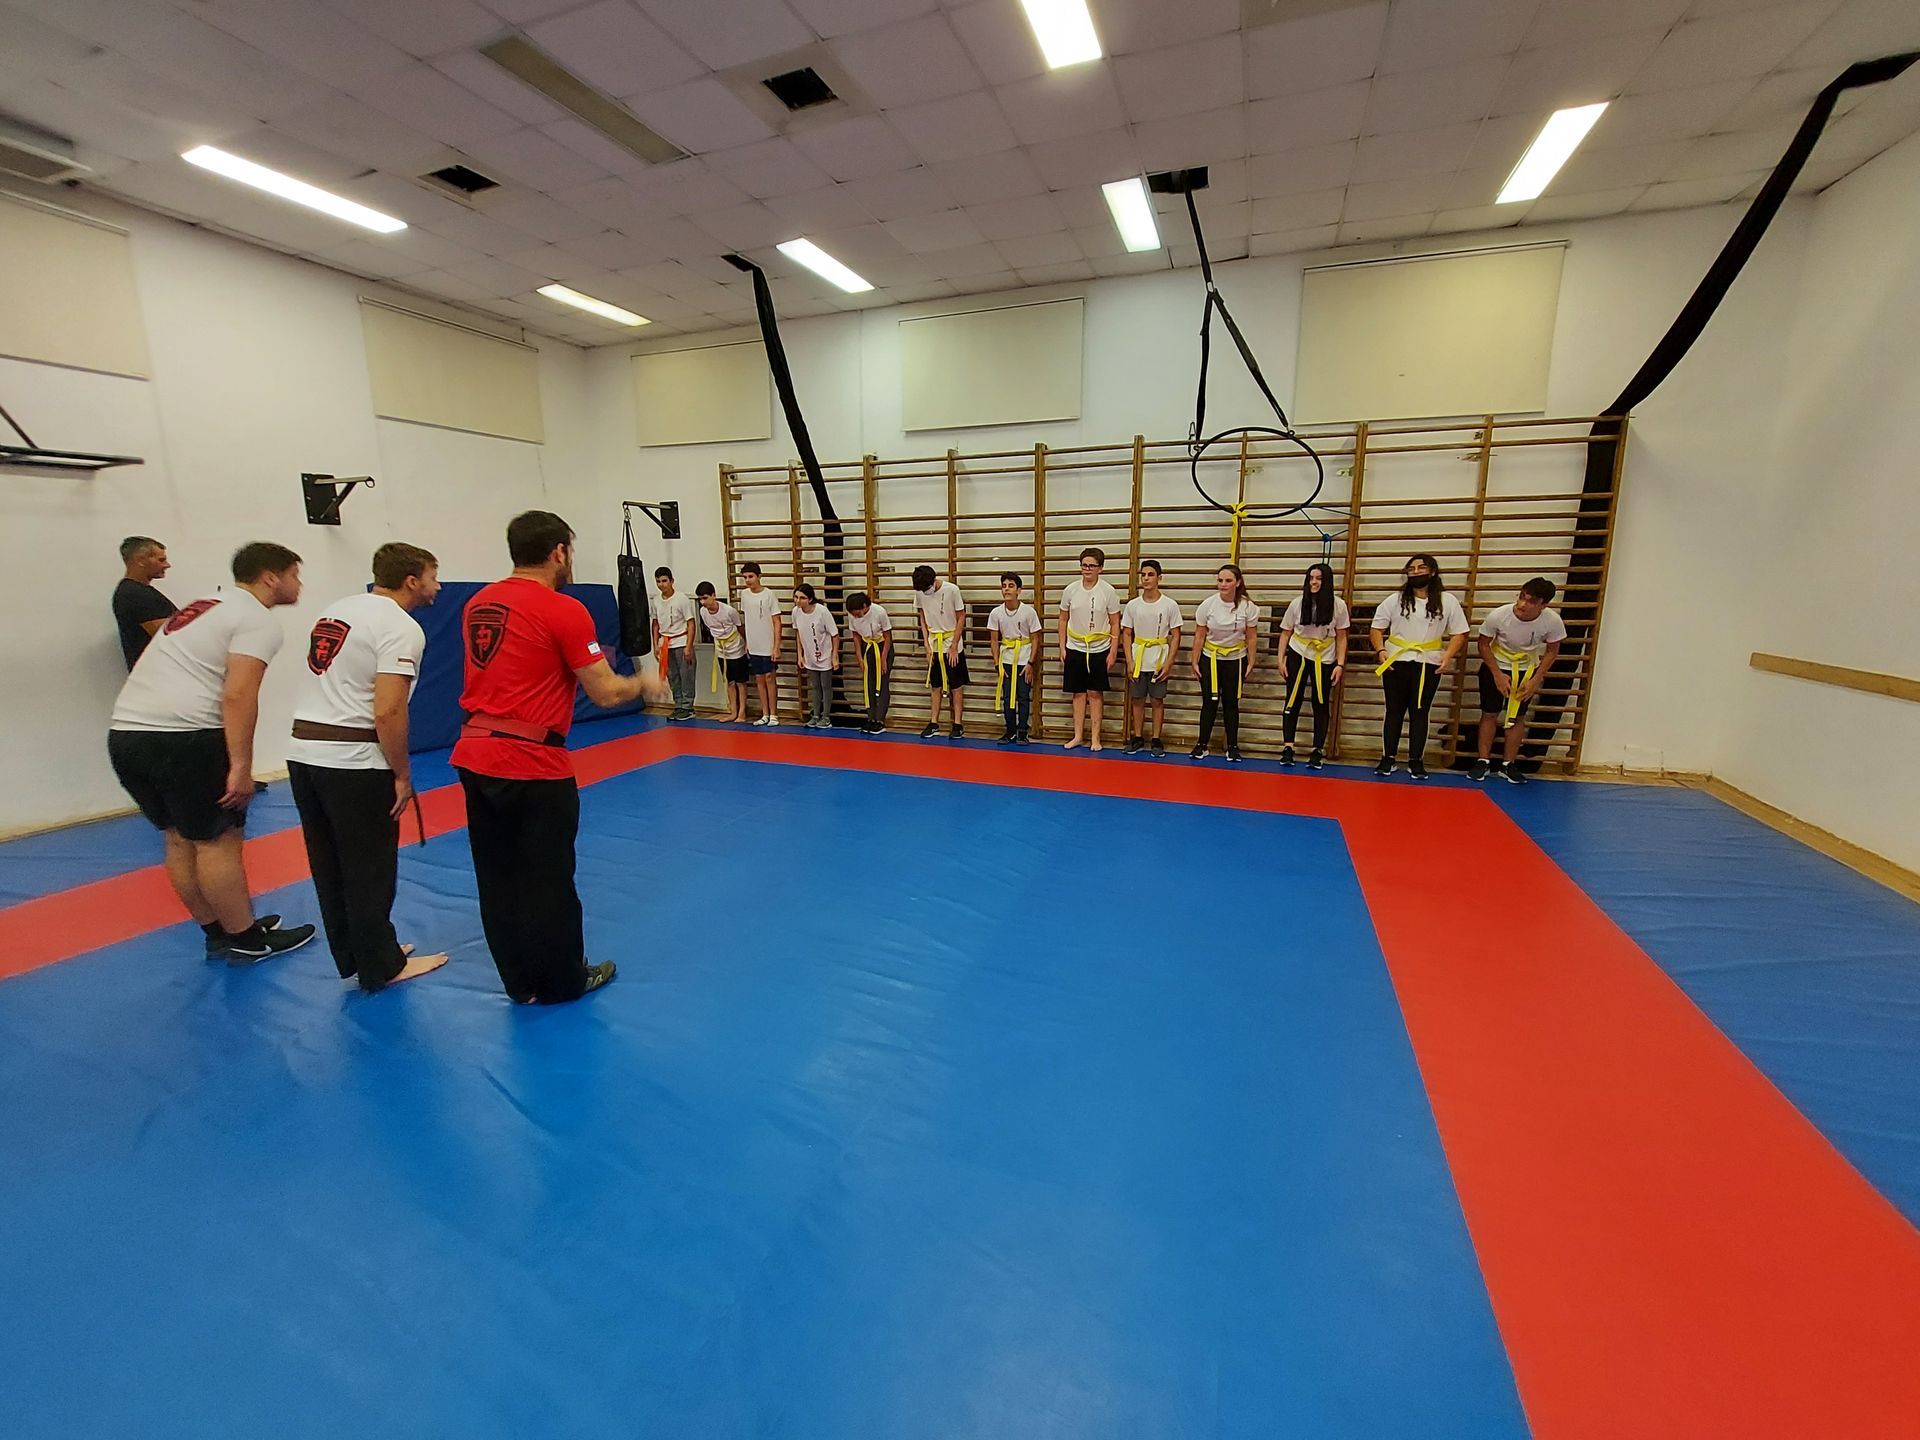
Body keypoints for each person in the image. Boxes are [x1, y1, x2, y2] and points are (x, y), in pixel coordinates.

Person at [452, 511, 668, 1004]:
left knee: (498, 876)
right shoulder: (563, 609)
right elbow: (606, 692)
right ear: (558, 552)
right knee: (547, 876)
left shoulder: (478, 603)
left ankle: (519, 983)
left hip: (475, 753)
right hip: (531, 760)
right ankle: (562, 981)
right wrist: (643, 681)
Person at [107, 541, 315, 962]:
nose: (299, 584)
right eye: (295, 574)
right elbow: (238, 694)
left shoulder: (207, 604)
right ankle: (246, 940)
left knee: (179, 838)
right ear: (270, 578)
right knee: (217, 841)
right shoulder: (256, 619)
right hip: (183, 738)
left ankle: (220, 931)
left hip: (127, 732)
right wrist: (241, 766)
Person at [285, 543, 447, 992]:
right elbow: (389, 710)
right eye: (433, 577)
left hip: (303, 755)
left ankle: (360, 952)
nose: (437, 587)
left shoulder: (337, 610)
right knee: (369, 866)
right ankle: (382, 966)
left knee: (330, 864)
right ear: (412, 581)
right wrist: (401, 774)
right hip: (352, 761)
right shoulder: (401, 626)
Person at [1369, 552, 1469, 780]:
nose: (1415, 572)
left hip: (1428, 662)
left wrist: (1448, 656)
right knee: (1394, 711)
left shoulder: (1447, 601)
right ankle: (1388, 757)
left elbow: (1460, 633)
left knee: (1420, 711)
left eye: (1421, 568)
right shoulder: (1394, 600)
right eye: (1411, 569)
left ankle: (1416, 760)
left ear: (1432, 572)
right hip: (1397, 661)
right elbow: (1376, 629)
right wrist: (1381, 650)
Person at [1471, 577, 1567, 785]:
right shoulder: (1499, 615)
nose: (1522, 604)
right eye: (1522, 597)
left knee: (1517, 716)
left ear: (1543, 605)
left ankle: (1508, 764)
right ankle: (1483, 760)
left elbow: (1552, 651)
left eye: (1531, 601)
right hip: (1497, 664)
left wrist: (1535, 679)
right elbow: (1483, 645)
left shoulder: (1552, 621)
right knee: (1489, 713)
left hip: (1526, 669)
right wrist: (1497, 674)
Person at [1278, 563, 1351, 769]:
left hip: (1324, 655)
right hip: (1298, 651)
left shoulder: (1338, 605)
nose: (1314, 582)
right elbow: (1285, 632)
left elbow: (1342, 637)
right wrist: (1281, 659)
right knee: (1293, 698)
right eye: (1311, 578)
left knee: (1320, 701)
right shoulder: (1297, 603)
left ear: (1327, 581)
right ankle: (1288, 747)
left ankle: (1317, 749)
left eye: (1318, 578)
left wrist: (1340, 664)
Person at [1189, 563, 1260, 762]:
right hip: (1211, 658)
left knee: (1231, 703)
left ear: (1237, 583)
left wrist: (1251, 660)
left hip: (1236, 659)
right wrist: (1194, 660)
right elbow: (1199, 635)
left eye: (1228, 580)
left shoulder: (1248, 607)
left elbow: (1252, 636)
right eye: (1220, 580)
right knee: (1209, 702)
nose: (1223, 584)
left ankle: (1233, 746)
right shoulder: (1208, 605)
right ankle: (1202, 745)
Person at [1057, 546, 1122, 751]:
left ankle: (1095, 738)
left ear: (1100, 568)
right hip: (1075, 646)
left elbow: (1115, 623)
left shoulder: (1108, 591)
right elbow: (1062, 619)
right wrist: (1062, 646)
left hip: (1099, 648)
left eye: (1091, 566)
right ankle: (1078, 735)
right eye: (1084, 565)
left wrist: (1113, 650)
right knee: (1078, 693)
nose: (1087, 569)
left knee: (1095, 693)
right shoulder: (1070, 590)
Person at [1120, 559, 1182, 756]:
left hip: (1158, 657)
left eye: (1150, 575)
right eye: (1143, 575)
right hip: (1138, 656)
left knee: (1157, 700)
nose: (1146, 578)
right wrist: (1129, 660)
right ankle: (1138, 737)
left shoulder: (1169, 605)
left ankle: (1156, 739)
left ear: (1159, 578)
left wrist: (1169, 662)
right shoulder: (1133, 605)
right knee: (1137, 699)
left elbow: (1176, 635)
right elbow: (1126, 633)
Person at [912, 564, 968, 739]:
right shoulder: (920, 592)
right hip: (934, 641)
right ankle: (934, 722)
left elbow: (961, 617)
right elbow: (922, 617)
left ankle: (957, 724)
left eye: (926, 588)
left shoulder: (952, 590)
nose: (925, 592)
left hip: (951, 640)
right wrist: (926, 644)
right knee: (935, 685)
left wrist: (954, 645)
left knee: (956, 685)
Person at [986, 571, 1041, 745]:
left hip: (1024, 659)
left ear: (1019, 590)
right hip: (1006, 659)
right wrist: (997, 664)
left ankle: (1022, 731)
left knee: (1023, 696)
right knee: (1007, 697)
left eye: (1011, 586)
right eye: (1004, 586)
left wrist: (1031, 663)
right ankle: (1010, 731)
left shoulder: (1028, 612)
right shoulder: (996, 613)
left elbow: (1035, 638)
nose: (1007, 589)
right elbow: (994, 640)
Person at [113, 535, 177, 671]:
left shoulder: (140, 592)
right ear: (141, 561)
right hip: (157, 675)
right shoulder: (134, 594)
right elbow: (170, 636)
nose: (167, 565)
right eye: (161, 560)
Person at [695, 581, 750, 723]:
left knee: (740, 682)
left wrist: (747, 644)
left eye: (705, 598)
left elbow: (739, 627)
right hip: (721, 650)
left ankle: (742, 712)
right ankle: (733, 711)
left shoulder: (729, 611)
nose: (703, 602)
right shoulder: (702, 612)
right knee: (729, 682)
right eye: (700, 599)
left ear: (714, 595)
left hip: (736, 648)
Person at [738, 561, 783, 727]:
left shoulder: (769, 595)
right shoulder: (744, 595)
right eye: (745, 577)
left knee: (770, 678)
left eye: (751, 576)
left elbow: (777, 621)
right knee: (759, 679)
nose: (748, 580)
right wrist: (747, 642)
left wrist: (776, 646)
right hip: (754, 644)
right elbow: (747, 619)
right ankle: (764, 713)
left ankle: (774, 714)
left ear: (759, 576)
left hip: (768, 643)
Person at [790, 583, 839, 729]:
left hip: (824, 654)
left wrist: (834, 656)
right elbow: (798, 633)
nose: (798, 601)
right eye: (796, 597)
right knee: (815, 686)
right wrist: (800, 655)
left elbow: (835, 635)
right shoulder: (795, 612)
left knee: (825, 686)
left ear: (810, 599)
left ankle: (826, 716)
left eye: (802, 598)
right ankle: (816, 715)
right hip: (810, 656)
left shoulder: (822, 611)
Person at [651, 566, 697, 721]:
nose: (661, 584)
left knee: (686, 675)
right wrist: (655, 645)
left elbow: (691, 622)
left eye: (664, 581)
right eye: (658, 581)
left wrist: (688, 646)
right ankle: (678, 705)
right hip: (665, 642)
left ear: (671, 581)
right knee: (672, 676)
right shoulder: (656, 601)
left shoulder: (681, 598)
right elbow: (655, 624)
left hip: (681, 640)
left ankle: (688, 707)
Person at [844, 591, 892, 734]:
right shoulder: (852, 615)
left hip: (882, 646)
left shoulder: (879, 612)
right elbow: (856, 636)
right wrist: (859, 657)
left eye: (858, 613)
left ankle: (880, 720)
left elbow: (888, 636)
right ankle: (871, 718)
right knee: (868, 683)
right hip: (867, 646)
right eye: (853, 614)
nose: (856, 616)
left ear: (865, 606)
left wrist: (883, 658)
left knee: (882, 683)